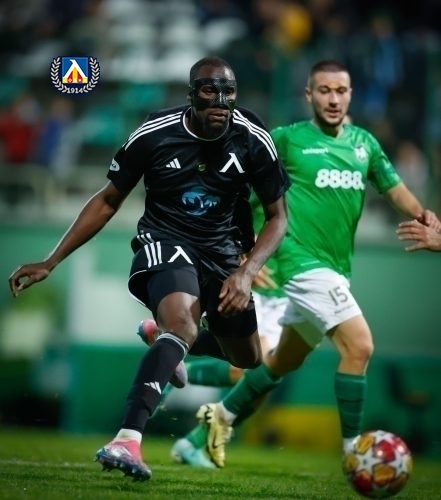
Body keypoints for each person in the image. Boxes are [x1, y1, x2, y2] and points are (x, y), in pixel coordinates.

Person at [8, 56, 290, 481]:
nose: (220, 100)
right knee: (183, 324)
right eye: (209, 90)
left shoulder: (253, 138)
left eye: (228, 91)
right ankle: (127, 438)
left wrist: (247, 271)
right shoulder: (155, 133)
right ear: (191, 94)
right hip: (165, 239)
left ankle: (163, 338)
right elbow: (108, 200)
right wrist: (51, 260)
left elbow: (278, 217)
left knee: (248, 357)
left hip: (225, 253)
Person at [182, 59, 441, 469]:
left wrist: (426, 218)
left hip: (335, 269)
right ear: (308, 95)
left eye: (341, 91)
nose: (333, 99)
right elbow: (237, 184)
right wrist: (242, 253)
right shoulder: (286, 140)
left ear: (351, 95)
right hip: (299, 263)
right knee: (360, 346)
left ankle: (206, 431)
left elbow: (394, 190)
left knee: (276, 364)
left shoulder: (365, 144)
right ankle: (355, 454)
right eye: (324, 90)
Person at [137, 187, 289, 468]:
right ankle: (172, 352)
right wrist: (246, 259)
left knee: (262, 382)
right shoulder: (271, 174)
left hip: (290, 290)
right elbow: (225, 204)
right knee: (258, 366)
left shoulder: (317, 178)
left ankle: (192, 439)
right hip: (259, 288)